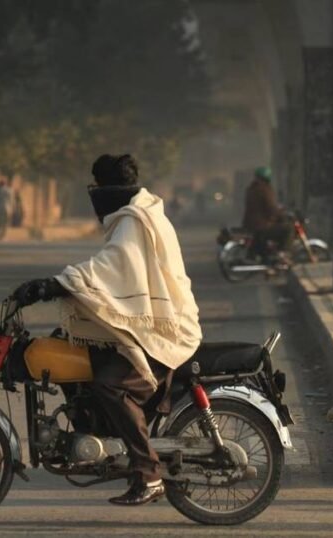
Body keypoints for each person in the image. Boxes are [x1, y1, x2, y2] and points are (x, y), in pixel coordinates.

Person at [11, 153, 201, 506]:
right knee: (68, 344)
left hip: (163, 334)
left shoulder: (135, 221)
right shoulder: (140, 212)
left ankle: (148, 472)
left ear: (105, 189)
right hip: (153, 327)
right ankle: (99, 433)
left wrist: (56, 284)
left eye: (97, 187)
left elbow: (110, 268)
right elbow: (119, 275)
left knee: (110, 385)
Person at [241, 166, 292, 261]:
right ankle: (282, 253)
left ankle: (270, 254)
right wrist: (281, 215)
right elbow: (271, 207)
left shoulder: (251, 189)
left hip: (251, 224)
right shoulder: (264, 189)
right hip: (261, 226)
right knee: (288, 229)